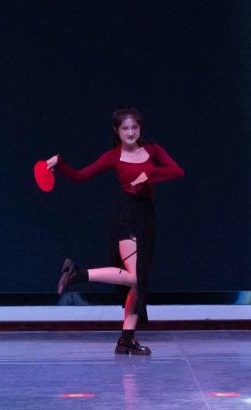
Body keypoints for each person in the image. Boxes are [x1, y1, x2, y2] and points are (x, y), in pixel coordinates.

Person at [49, 107, 185, 355]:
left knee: (138, 283)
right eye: (125, 128)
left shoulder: (153, 150)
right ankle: (78, 274)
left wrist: (148, 174)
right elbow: (80, 176)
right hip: (126, 216)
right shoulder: (113, 156)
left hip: (146, 217)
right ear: (117, 131)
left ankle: (126, 340)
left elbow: (177, 171)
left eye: (134, 127)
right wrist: (60, 163)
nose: (130, 132)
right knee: (135, 278)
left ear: (140, 128)